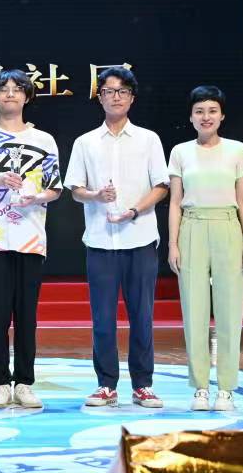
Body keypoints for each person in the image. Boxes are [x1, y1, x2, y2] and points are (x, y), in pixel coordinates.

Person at [64, 67, 169, 409]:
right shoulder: (85, 142)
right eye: (109, 91)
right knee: (103, 318)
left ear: (132, 98)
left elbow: (162, 186)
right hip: (100, 241)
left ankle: (143, 385)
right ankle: (106, 384)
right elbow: (75, 190)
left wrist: (135, 210)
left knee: (142, 316)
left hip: (140, 239)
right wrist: (95, 196)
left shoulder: (149, 139)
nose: (116, 97)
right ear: (100, 98)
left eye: (122, 91)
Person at [0, 70, 62, 409]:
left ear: (27, 96)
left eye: (17, 89)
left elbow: (55, 189)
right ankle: (0, 384)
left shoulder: (44, 140)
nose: (10, 94)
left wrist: (36, 197)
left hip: (31, 237)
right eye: (3, 89)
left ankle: (24, 383)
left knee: (26, 316)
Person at [167, 85, 243, 412]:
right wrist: (173, 243)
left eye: (212, 111)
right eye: (200, 111)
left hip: (228, 227)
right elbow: (174, 202)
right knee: (194, 310)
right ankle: (200, 387)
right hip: (191, 227)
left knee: (230, 310)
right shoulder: (180, 152)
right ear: (191, 117)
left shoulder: (237, 150)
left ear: (222, 116)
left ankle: (227, 388)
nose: (206, 117)